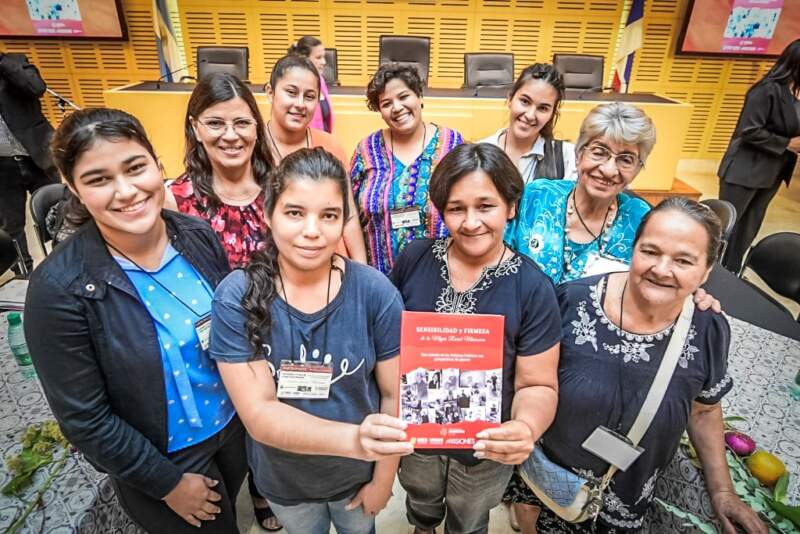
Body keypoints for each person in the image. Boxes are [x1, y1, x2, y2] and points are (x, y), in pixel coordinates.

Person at [24, 108, 246, 533]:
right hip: (166, 460)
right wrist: (167, 484)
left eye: (135, 167)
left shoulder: (196, 235)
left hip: (232, 429)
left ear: (157, 164)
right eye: (98, 179)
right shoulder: (60, 290)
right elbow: (86, 420)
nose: (126, 191)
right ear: (72, 186)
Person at [507, 198, 767, 534]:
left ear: (706, 271)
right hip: (548, 480)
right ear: (633, 249)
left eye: (683, 260)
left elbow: (704, 410)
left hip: (626, 492)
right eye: (650, 251)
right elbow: (528, 380)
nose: (661, 269)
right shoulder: (570, 300)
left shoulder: (708, 329)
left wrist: (722, 491)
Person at [209, 147, 413, 533]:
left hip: (358, 476)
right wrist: (357, 439)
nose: (312, 230)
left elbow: (393, 395)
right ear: (268, 213)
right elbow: (260, 415)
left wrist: (384, 479)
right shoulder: (237, 297)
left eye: (329, 215)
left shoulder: (375, 292)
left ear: (344, 221)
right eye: (295, 212)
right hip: (285, 482)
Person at [390, 143, 562, 534]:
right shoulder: (415, 259)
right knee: (419, 496)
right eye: (456, 208)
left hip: (485, 448)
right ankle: (423, 526)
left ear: (510, 206)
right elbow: (386, 343)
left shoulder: (532, 287)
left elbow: (537, 383)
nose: (470, 222)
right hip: (417, 440)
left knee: (470, 514)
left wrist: (525, 427)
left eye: (485, 206)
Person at [506, 102, 653, 285]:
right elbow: (496, 258)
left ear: (637, 169)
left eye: (626, 160)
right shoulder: (537, 196)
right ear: (578, 155)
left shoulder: (641, 219)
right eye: (599, 152)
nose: (609, 170)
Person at [351, 63, 464, 275]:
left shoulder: (451, 144)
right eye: (386, 103)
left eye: (404, 96)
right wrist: (360, 271)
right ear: (380, 111)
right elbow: (350, 213)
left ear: (419, 96)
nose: (396, 107)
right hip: (379, 279)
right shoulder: (367, 149)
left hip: (442, 278)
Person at [265, 53, 366, 262]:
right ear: (270, 92)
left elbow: (348, 216)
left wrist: (362, 269)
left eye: (309, 96)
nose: (300, 104)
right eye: (291, 93)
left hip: (332, 261)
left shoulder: (330, 145)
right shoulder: (253, 147)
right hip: (275, 264)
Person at [166, 73, 273, 268]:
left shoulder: (280, 189)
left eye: (242, 123)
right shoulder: (175, 202)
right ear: (195, 128)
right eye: (215, 123)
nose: (230, 136)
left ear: (256, 127)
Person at [718, 38, 800, 273]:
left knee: (749, 228)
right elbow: (749, 130)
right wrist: (787, 144)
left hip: (773, 171)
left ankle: (731, 272)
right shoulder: (766, 90)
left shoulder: (795, 93)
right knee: (727, 227)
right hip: (745, 169)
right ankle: (710, 270)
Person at [0, 52, 58, 273]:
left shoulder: (15, 62)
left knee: (58, 211)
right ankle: (24, 273)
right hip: (2, 166)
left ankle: (65, 261)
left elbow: (36, 88)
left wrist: (2, 61)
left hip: (35, 155)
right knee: (11, 225)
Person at [480, 63, 577, 183]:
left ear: (552, 114)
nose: (530, 115)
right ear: (510, 99)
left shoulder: (567, 158)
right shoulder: (480, 152)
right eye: (525, 101)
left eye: (543, 108)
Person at [288, 36, 334, 133]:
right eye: (318, 58)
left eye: (324, 57)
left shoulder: (320, 80)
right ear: (305, 59)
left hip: (323, 138)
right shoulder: (294, 87)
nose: (324, 62)